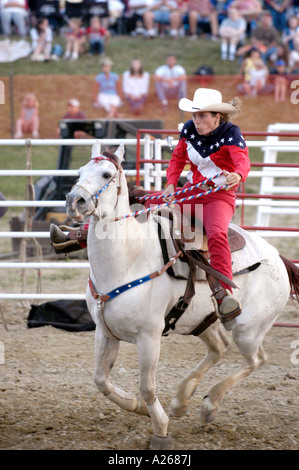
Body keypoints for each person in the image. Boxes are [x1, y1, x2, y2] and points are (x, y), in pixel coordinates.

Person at [158, 88, 250, 321]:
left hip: (219, 196)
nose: (197, 121)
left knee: (217, 234)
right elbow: (178, 158)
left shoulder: (231, 133)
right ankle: (84, 233)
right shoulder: (189, 130)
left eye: (202, 116)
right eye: (194, 116)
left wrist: (238, 175)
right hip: (192, 192)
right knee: (149, 205)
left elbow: (242, 160)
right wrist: (170, 184)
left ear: (217, 117)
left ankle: (224, 295)